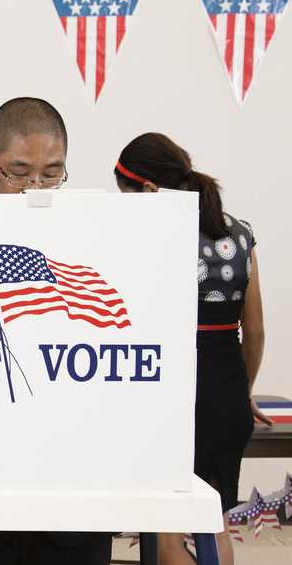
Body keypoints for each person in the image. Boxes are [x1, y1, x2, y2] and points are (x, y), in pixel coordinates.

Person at [0, 96, 112, 565]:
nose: (35, 187)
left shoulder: (94, 243)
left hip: (70, 483)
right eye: (19, 172)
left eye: (51, 173)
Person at [115, 133, 269, 565]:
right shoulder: (240, 235)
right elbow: (254, 330)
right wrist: (243, 390)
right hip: (226, 391)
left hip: (172, 392)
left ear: (147, 190)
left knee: (168, 535)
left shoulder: (149, 238)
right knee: (213, 525)